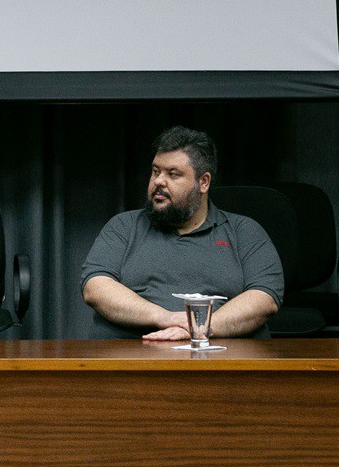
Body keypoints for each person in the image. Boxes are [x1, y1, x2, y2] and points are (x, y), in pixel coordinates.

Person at [81, 126, 283, 340]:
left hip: (220, 361)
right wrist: (166, 318)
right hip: (130, 359)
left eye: (173, 174)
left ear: (203, 182)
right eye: (156, 171)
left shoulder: (244, 232)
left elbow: (265, 299)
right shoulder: (123, 226)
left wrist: (199, 328)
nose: (159, 181)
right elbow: (95, 287)